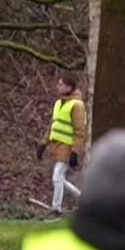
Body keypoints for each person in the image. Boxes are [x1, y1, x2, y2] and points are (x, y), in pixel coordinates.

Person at [38, 75, 89, 216]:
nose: (58, 87)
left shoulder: (77, 105)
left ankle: (56, 209)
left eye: (61, 85)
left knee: (57, 176)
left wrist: (75, 152)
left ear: (69, 87)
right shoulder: (58, 104)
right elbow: (53, 126)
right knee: (59, 178)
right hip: (57, 146)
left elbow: (80, 131)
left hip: (67, 146)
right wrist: (43, 143)